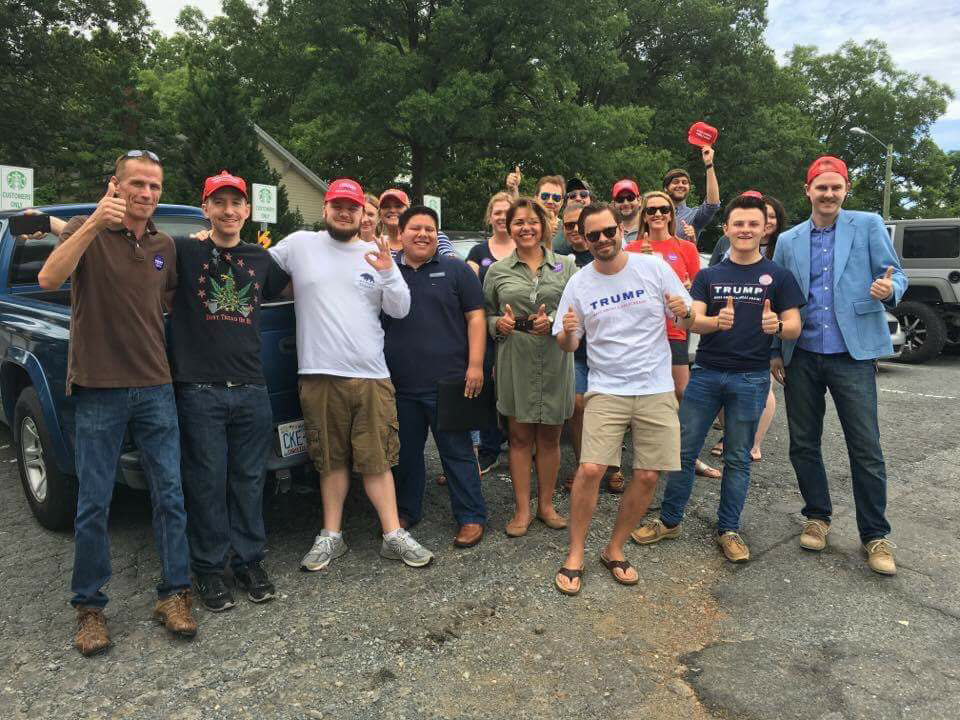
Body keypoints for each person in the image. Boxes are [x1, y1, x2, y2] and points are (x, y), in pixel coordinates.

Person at [38, 150, 196, 655]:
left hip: (155, 386)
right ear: (115, 185)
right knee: (94, 502)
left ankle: (174, 594)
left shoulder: (163, 245)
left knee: (170, 495)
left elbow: (166, 301)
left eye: (154, 185)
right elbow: (48, 279)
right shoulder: (86, 230)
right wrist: (87, 228)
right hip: (99, 387)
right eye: (137, 184)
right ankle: (89, 608)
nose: (146, 194)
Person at [269, 178, 434, 571]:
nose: (344, 212)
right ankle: (331, 536)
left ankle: (393, 535)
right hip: (318, 374)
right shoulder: (299, 245)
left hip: (371, 374)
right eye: (337, 205)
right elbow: (250, 265)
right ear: (325, 209)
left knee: (377, 459)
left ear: (363, 213)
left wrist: (390, 271)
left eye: (352, 207)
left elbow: (400, 309)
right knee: (330, 460)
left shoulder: (374, 254)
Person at [631, 193, 804, 562]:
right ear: (726, 229)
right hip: (707, 374)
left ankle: (729, 529)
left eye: (752, 224)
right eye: (738, 224)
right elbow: (690, 319)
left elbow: (794, 326)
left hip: (751, 378)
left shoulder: (780, 277)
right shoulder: (710, 275)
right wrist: (713, 322)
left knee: (739, 458)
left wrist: (778, 325)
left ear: (764, 229)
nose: (745, 230)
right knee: (683, 451)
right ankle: (670, 520)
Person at [771, 156, 907, 575]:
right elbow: (779, 298)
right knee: (803, 442)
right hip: (804, 356)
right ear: (807, 190)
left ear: (846, 189)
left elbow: (897, 275)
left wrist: (889, 289)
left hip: (853, 355)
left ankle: (875, 535)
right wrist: (777, 351)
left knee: (865, 447)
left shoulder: (866, 225)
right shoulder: (789, 239)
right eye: (821, 187)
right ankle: (817, 516)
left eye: (836, 187)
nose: (828, 194)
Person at [552, 202, 694, 595]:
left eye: (608, 231)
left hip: (654, 386)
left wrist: (684, 312)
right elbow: (567, 344)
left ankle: (614, 549)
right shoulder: (579, 283)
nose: (602, 240)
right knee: (591, 469)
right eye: (592, 235)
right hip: (607, 387)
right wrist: (566, 332)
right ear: (583, 238)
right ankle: (576, 552)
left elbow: (686, 316)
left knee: (648, 473)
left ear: (621, 230)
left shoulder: (652, 268)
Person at [168, 171, 291, 612]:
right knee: (206, 482)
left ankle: (249, 561)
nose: (228, 211)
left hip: (251, 388)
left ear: (247, 210)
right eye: (218, 203)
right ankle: (209, 569)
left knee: (249, 480)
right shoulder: (184, 251)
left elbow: (295, 287)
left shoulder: (260, 259)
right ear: (206, 209)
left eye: (236, 203)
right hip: (200, 389)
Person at [384, 206, 488, 547]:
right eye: (416, 228)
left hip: (450, 381)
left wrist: (475, 365)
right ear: (401, 233)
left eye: (430, 228)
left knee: (456, 452)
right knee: (407, 454)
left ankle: (471, 516)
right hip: (400, 384)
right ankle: (405, 510)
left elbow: (475, 318)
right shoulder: (388, 273)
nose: (423, 234)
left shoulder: (456, 269)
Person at [483, 197, 576, 537]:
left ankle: (546, 506)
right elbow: (485, 312)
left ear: (545, 226)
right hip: (515, 356)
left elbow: (575, 311)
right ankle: (522, 510)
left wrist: (551, 321)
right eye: (519, 222)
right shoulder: (498, 270)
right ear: (509, 228)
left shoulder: (565, 266)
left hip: (554, 357)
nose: (526, 227)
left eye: (532, 221)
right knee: (520, 438)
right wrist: (498, 325)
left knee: (550, 438)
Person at [625, 191, 721, 481]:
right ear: (643, 214)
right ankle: (646, 457)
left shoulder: (686, 247)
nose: (657, 214)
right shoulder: (630, 248)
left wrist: (686, 289)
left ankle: (685, 454)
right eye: (651, 209)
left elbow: (696, 294)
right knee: (640, 395)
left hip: (673, 330)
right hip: (640, 335)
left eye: (663, 209)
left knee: (683, 392)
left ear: (671, 213)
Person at [709, 193, 788, 461]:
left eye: (770, 217)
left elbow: (787, 297)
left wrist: (777, 328)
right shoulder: (726, 242)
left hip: (766, 331)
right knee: (725, 388)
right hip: (730, 327)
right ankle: (731, 435)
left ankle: (753, 443)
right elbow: (712, 276)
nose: (749, 228)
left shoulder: (782, 247)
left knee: (764, 388)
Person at [558, 204, 625, 494]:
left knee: (612, 407)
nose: (574, 230)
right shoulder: (559, 258)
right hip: (578, 350)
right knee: (577, 406)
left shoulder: (614, 253)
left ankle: (613, 466)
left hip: (611, 351)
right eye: (569, 225)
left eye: (578, 224)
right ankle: (584, 462)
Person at [466, 192, 516, 474]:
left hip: (518, 332)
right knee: (486, 390)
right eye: (496, 212)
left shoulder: (524, 248)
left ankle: (521, 443)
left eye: (505, 212)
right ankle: (490, 449)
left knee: (514, 388)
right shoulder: (477, 252)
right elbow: (468, 284)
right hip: (486, 329)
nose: (500, 217)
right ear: (490, 217)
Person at [663, 144, 721, 243]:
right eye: (675, 182)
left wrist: (709, 164)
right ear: (666, 188)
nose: (680, 185)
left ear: (689, 188)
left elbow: (712, 205)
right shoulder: (653, 212)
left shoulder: (694, 216)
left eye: (684, 182)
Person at [378, 188, 455, 257]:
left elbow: (451, 259)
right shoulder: (376, 246)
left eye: (398, 206)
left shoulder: (434, 235)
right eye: (386, 207)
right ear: (379, 214)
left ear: (408, 211)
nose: (392, 210)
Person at [552, 177, 594, 254]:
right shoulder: (553, 230)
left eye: (583, 194)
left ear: (591, 199)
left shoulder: (604, 226)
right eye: (572, 195)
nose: (578, 198)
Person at [612, 179, 642, 244]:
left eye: (630, 198)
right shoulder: (609, 231)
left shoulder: (650, 226)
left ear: (639, 201)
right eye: (620, 199)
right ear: (613, 204)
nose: (625, 203)